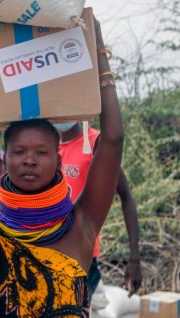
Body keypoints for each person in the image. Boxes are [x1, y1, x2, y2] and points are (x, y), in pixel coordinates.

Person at [0, 17, 123, 317]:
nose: (30, 159)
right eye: (19, 151)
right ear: (5, 159)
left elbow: (113, 139)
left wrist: (98, 53)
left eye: (42, 152)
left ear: (59, 159)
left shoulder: (81, 226)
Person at [55, 122, 142, 296]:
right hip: (48, 249)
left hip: (82, 254)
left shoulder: (95, 142)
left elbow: (126, 197)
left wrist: (134, 258)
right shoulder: (45, 144)